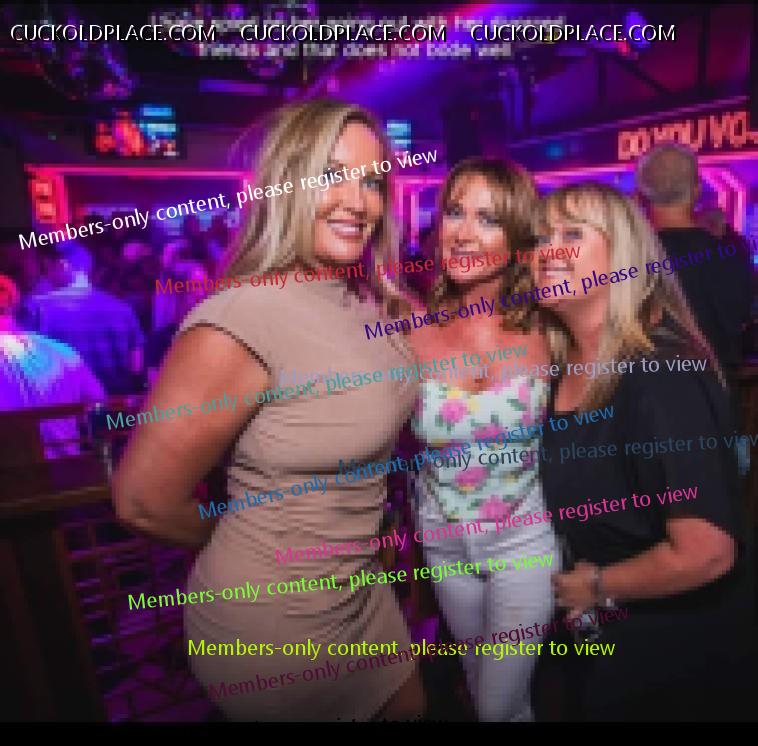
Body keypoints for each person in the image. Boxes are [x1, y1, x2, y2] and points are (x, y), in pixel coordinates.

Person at [111, 99, 424, 722]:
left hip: (364, 595)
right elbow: (143, 501)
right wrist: (248, 548)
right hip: (275, 625)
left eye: (371, 181)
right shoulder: (241, 320)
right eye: (331, 175)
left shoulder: (363, 298)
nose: (357, 202)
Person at [534, 182, 755, 720]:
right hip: (607, 648)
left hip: (679, 658)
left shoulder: (659, 374)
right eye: (540, 237)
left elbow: (706, 551)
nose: (548, 251)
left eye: (571, 235)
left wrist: (597, 586)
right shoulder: (562, 365)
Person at [408, 158, 556, 721]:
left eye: (488, 219)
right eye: (454, 212)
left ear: (517, 239)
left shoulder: (549, 326)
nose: (463, 233)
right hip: (444, 543)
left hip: (523, 543)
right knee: (484, 689)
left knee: (494, 707)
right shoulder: (409, 329)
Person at [635, 143, 751, 379]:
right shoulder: (731, 257)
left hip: (645, 386)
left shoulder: (629, 258)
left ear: (642, 194)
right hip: (715, 387)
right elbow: (739, 323)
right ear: (697, 190)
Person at [0, 273, 105, 458]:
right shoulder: (63, 351)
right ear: (14, 304)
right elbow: (98, 405)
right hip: (68, 469)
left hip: (11, 473)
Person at [24, 243, 144, 394]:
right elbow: (136, 366)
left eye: (45, 267)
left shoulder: (36, 309)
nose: (44, 276)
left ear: (62, 265)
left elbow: (26, 366)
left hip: (66, 404)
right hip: (116, 403)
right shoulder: (123, 309)